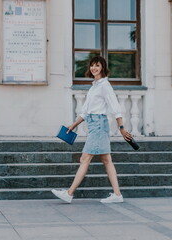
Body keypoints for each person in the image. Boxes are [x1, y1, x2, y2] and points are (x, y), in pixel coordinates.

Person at [51, 56, 132, 203]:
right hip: (94, 124)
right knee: (107, 160)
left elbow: (116, 108)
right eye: (92, 65)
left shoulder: (105, 86)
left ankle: (69, 193)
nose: (94, 68)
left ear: (103, 68)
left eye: (97, 65)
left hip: (99, 125)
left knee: (85, 158)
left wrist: (121, 128)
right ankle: (117, 195)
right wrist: (73, 125)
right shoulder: (95, 86)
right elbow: (86, 111)